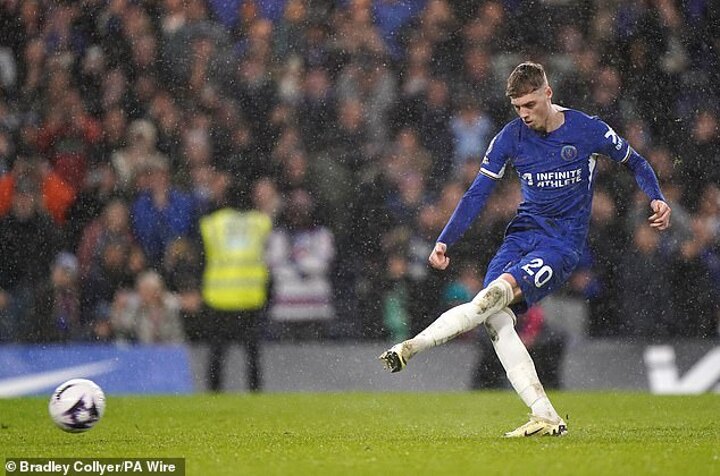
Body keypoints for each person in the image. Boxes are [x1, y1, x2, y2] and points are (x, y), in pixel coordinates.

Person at [379, 62, 672, 438]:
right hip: (520, 238)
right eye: (517, 107)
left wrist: (656, 197)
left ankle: (412, 347)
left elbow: (637, 162)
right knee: (493, 317)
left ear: (548, 93)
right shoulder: (510, 137)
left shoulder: (588, 129)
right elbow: (477, 193)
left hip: (560, 244)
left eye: (530, 104)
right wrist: (445, 239)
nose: (525, 114)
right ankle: (544, 414)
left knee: (491, 298)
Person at [199, 179, 272, 392]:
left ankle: (214, 393)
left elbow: (202, 255)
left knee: (217, 353)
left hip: (219, 298)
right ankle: (255, 392)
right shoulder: (260, 223)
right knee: (252, 354)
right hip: (250, 298)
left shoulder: (212, 224)